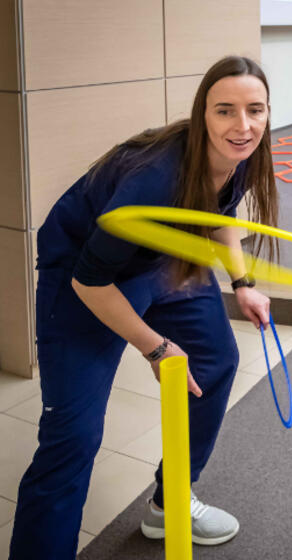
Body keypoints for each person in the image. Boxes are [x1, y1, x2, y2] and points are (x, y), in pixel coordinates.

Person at [9, 56, 278, 558]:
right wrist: (155, 348)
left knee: (217, 361)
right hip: (84, 274)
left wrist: (243, 283)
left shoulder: (245, 150)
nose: (242, 125)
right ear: (202, 115)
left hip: (162, 257)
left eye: (255, 110)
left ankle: (169, 503)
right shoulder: (154, 178)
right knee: (74, 436)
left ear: (267, 112)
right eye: (225, 111)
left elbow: (221, 210)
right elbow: (90, 281)